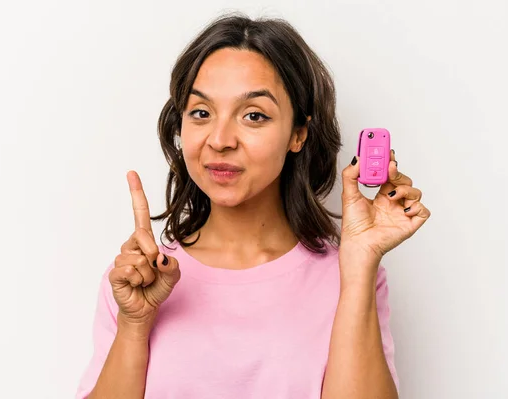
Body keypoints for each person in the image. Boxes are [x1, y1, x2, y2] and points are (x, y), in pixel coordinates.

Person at [76, 12, 430, 399]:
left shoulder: (352, 277)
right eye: (201, 113)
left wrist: (360, 264)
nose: (221, 139)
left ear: (298, 133)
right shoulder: (135, 281)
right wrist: (134, 325)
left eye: (254, 115)